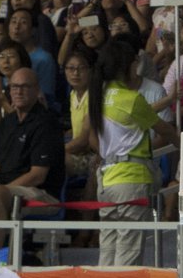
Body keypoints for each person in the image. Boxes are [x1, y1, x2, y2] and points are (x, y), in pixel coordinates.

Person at [62, 47, 162, 266]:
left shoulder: (98, 96)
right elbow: (167, 131)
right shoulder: (131, 99)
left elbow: (91, 140)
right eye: (134, 64)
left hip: (105, 180)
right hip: (131, 180)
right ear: (127, 68)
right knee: (128, 256)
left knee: (107, 253)